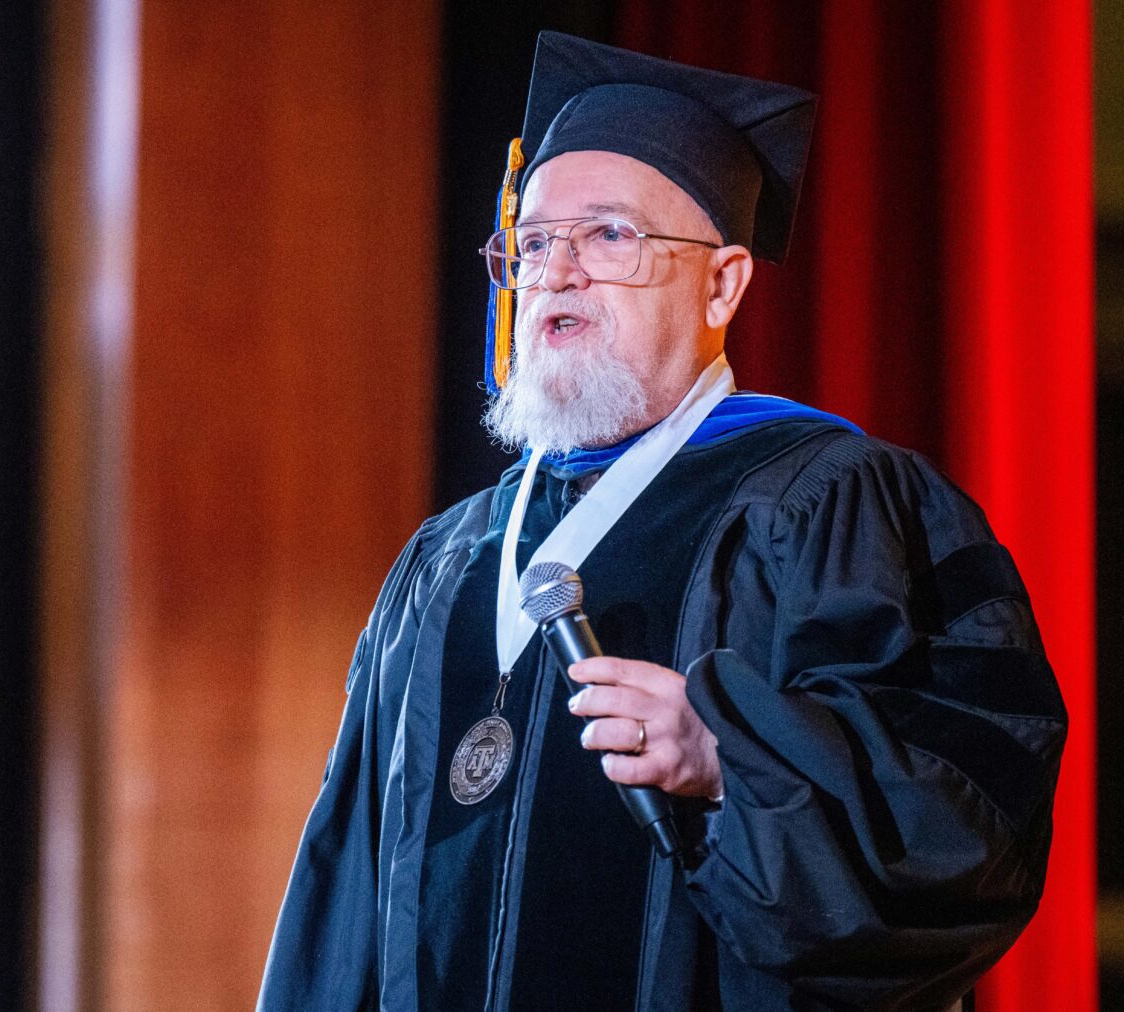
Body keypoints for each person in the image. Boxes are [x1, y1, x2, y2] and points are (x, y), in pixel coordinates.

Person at [257, 32, 1064, 1012]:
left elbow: (967, 827)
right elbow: (341, 903)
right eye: (535, 242)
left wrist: (734, 759)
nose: (557, 271)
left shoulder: (833, 508)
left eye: (608, 236)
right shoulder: (445, 558)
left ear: (724, 282)